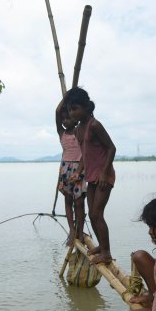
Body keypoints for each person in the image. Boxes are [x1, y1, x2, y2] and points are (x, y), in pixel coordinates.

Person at [64, 87, 116, 265]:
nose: (72, 112)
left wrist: (104, 172)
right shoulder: (78, 130)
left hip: (103, 175)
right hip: (91, 177)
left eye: (75, 108)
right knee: (93, 215)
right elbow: (85, 156)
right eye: (70, 109)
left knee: (96, 213)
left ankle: (107, 252)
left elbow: (111, 148)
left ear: (86, 107)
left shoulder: (95, 125)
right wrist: (78, 173)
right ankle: (101, 246)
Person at [55, 100, 86, 246]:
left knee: (79, 202)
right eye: (63, 119)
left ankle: (80, 232)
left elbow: (85, 153)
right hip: (65, 168)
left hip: (78, 168)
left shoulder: (80, 130)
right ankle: (72, 230)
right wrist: (67, 98)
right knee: (68, 201)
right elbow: (56, 112)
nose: (65, 121)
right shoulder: (61, 132)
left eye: (68, 118)